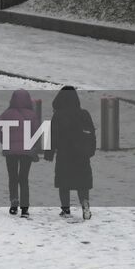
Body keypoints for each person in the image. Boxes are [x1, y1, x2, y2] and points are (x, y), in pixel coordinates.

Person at [45, 86, 95, 220]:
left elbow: (53, 136)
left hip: (64, 155)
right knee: (82, 183)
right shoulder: (84, 114)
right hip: (81, 155)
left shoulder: (59, 115)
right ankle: (85, 204)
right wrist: (90, 151)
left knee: (64, 183)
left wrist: (49, 153)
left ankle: (65, 209)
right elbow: (92, 135)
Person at [0, 90, 39, 217]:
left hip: (11, 151)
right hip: (27, 151)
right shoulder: (32, 115)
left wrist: (4, 140)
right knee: (24, 178)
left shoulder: (7, 113)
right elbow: (37, 132)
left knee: (13, 177)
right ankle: (25, 207)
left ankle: (14, 203)